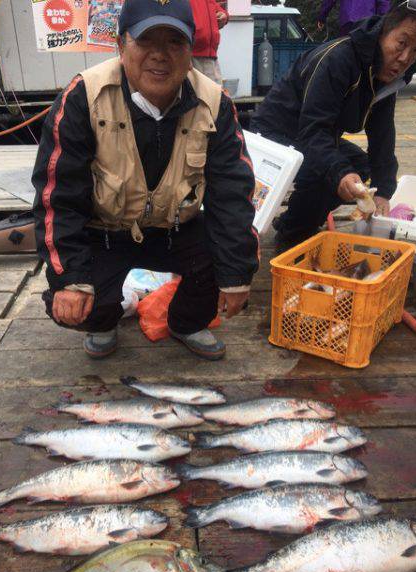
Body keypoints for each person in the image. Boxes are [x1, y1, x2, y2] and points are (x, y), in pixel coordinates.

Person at [32, 0, 258, 361]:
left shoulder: (215, 103)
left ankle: (185, 322)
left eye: (174, 42)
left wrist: (237, 275)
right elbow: (58, 196)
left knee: (223, 268)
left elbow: (233, 194)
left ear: (190, 51)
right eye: (146, 41)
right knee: (81, 307)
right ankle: (102, 321)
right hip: (104, 230)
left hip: (177, 229)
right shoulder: (82, 97)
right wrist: (70, 279)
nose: (160, 55)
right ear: (121, 47)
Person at [251, 3, 416, 250]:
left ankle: (294, 219)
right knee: (328, 172)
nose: (405, 58)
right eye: (401, 43)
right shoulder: (339, 59)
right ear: (384, 31)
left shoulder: (387, 75)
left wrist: (384, 190)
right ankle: (292, 238)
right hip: (275, 133)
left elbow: (382, 135)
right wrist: (339, 172)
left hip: (312, 133)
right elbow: (313, 131)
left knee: (359, 166)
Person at [190, 0, 228, 84]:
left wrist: (223, 15)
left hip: (210, 55)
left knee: (215, 93)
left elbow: (217, 8)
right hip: (192, 55)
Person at [317, 0, 391, 36]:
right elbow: (383, 4)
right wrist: (384, 20)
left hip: (347, 21)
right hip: (368, 22)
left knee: (346, 54)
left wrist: (322, 17)